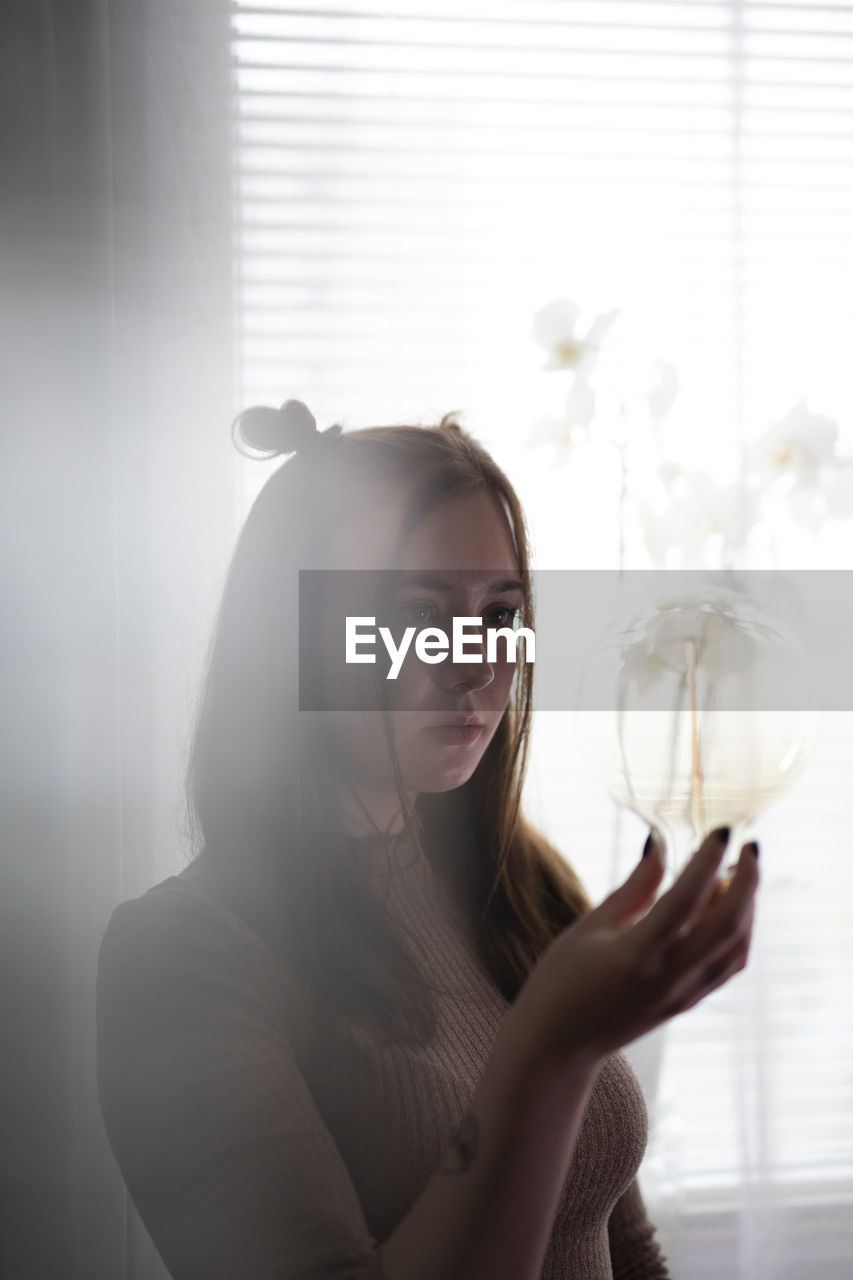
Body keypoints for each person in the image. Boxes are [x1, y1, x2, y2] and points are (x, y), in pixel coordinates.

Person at [96, 400, 759, 1280]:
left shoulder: (518, 887)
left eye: (499, 613)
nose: (478, 663)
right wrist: (550, 1049)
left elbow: (620, 1246)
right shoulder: (185, 960)